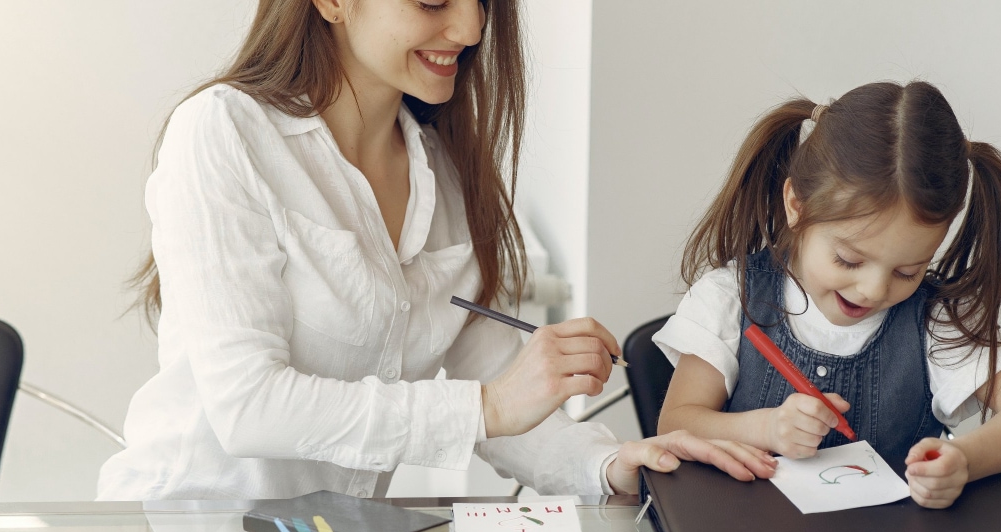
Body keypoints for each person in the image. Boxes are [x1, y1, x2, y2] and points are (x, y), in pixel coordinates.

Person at [96, 0, 776, 503]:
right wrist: (485, 405)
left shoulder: (442, 175)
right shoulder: (224, 133)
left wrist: (613, 463)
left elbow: (496, 380)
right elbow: (248, 407)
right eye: (432, 2)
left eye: (479, 2)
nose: (472, 28)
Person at [654, 80, 1001, 509]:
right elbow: (676, 423)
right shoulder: (731, 297)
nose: (874, 289)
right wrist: (766, 428)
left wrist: (964, 459)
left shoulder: (934, 320)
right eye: (849, 260)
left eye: (908, 271)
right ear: (796, 206)